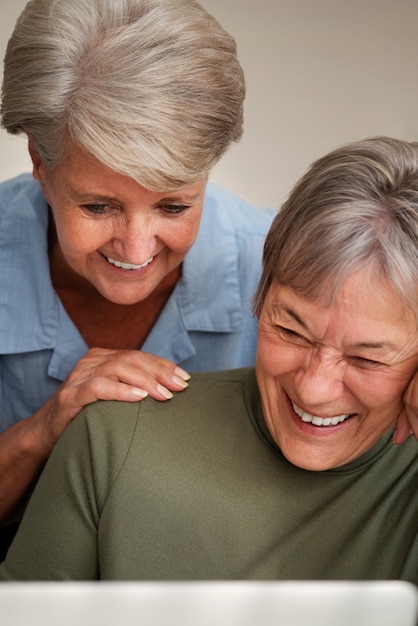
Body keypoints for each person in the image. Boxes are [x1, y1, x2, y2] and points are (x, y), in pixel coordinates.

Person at [0, 136, 416, 582]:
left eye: (367, 360)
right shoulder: (111, 440)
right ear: (261, 297)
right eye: (291, 331)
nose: (313, 388)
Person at [0, 0, 275, 548]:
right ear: (39, 160)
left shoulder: (278, 271)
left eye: (173, 207)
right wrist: (43, 430)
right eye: (99, 207)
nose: (138, 247)